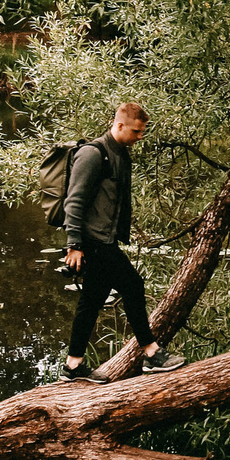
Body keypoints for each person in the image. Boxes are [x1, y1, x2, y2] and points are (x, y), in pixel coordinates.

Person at [61, 101, 181, 381]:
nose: (140, 137)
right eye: (137, 131)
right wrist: (74, 245)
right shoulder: (92, 154)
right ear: (119, 126)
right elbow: (74, 202)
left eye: (142, 132)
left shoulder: (120, 154)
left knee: (91, 301)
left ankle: (73, 366)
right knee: (133, 285)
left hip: (106, 240)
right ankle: (152, 353)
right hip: (93, 242)